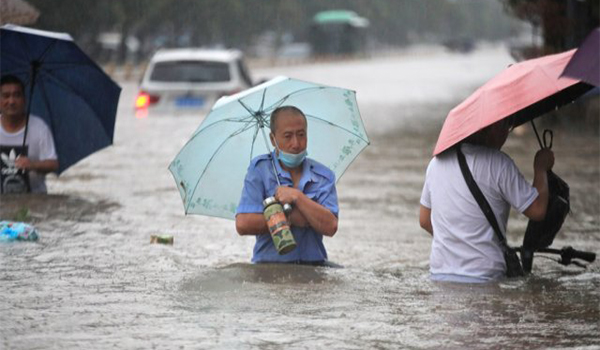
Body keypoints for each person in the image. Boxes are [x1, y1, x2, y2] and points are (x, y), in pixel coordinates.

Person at [419, 118, 555, 283]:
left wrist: (457, 241)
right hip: (484, 278)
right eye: (506, 126)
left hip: (440, 276)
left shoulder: (436, 163)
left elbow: (425, 220)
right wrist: (541, 168)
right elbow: (538, 210)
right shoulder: (499, 164)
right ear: (492, 128)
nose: (507, 133)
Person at [236, 106, 339, 264]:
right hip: (269, 268)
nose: (296, 143)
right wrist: (288, 218)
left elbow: (331, 226)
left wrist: (297, 197)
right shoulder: (259, 170)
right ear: (273, 139)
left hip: (314, 268)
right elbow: (243, 224)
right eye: (287, 136)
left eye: (301, 135)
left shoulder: (323, 176)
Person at [0, 75, 58, 194]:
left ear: (24, 100)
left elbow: (53, 163)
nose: (11, 101)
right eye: (6, 96)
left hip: (34, 200)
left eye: (17, 95)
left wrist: (32, 164)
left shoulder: (39, 127)